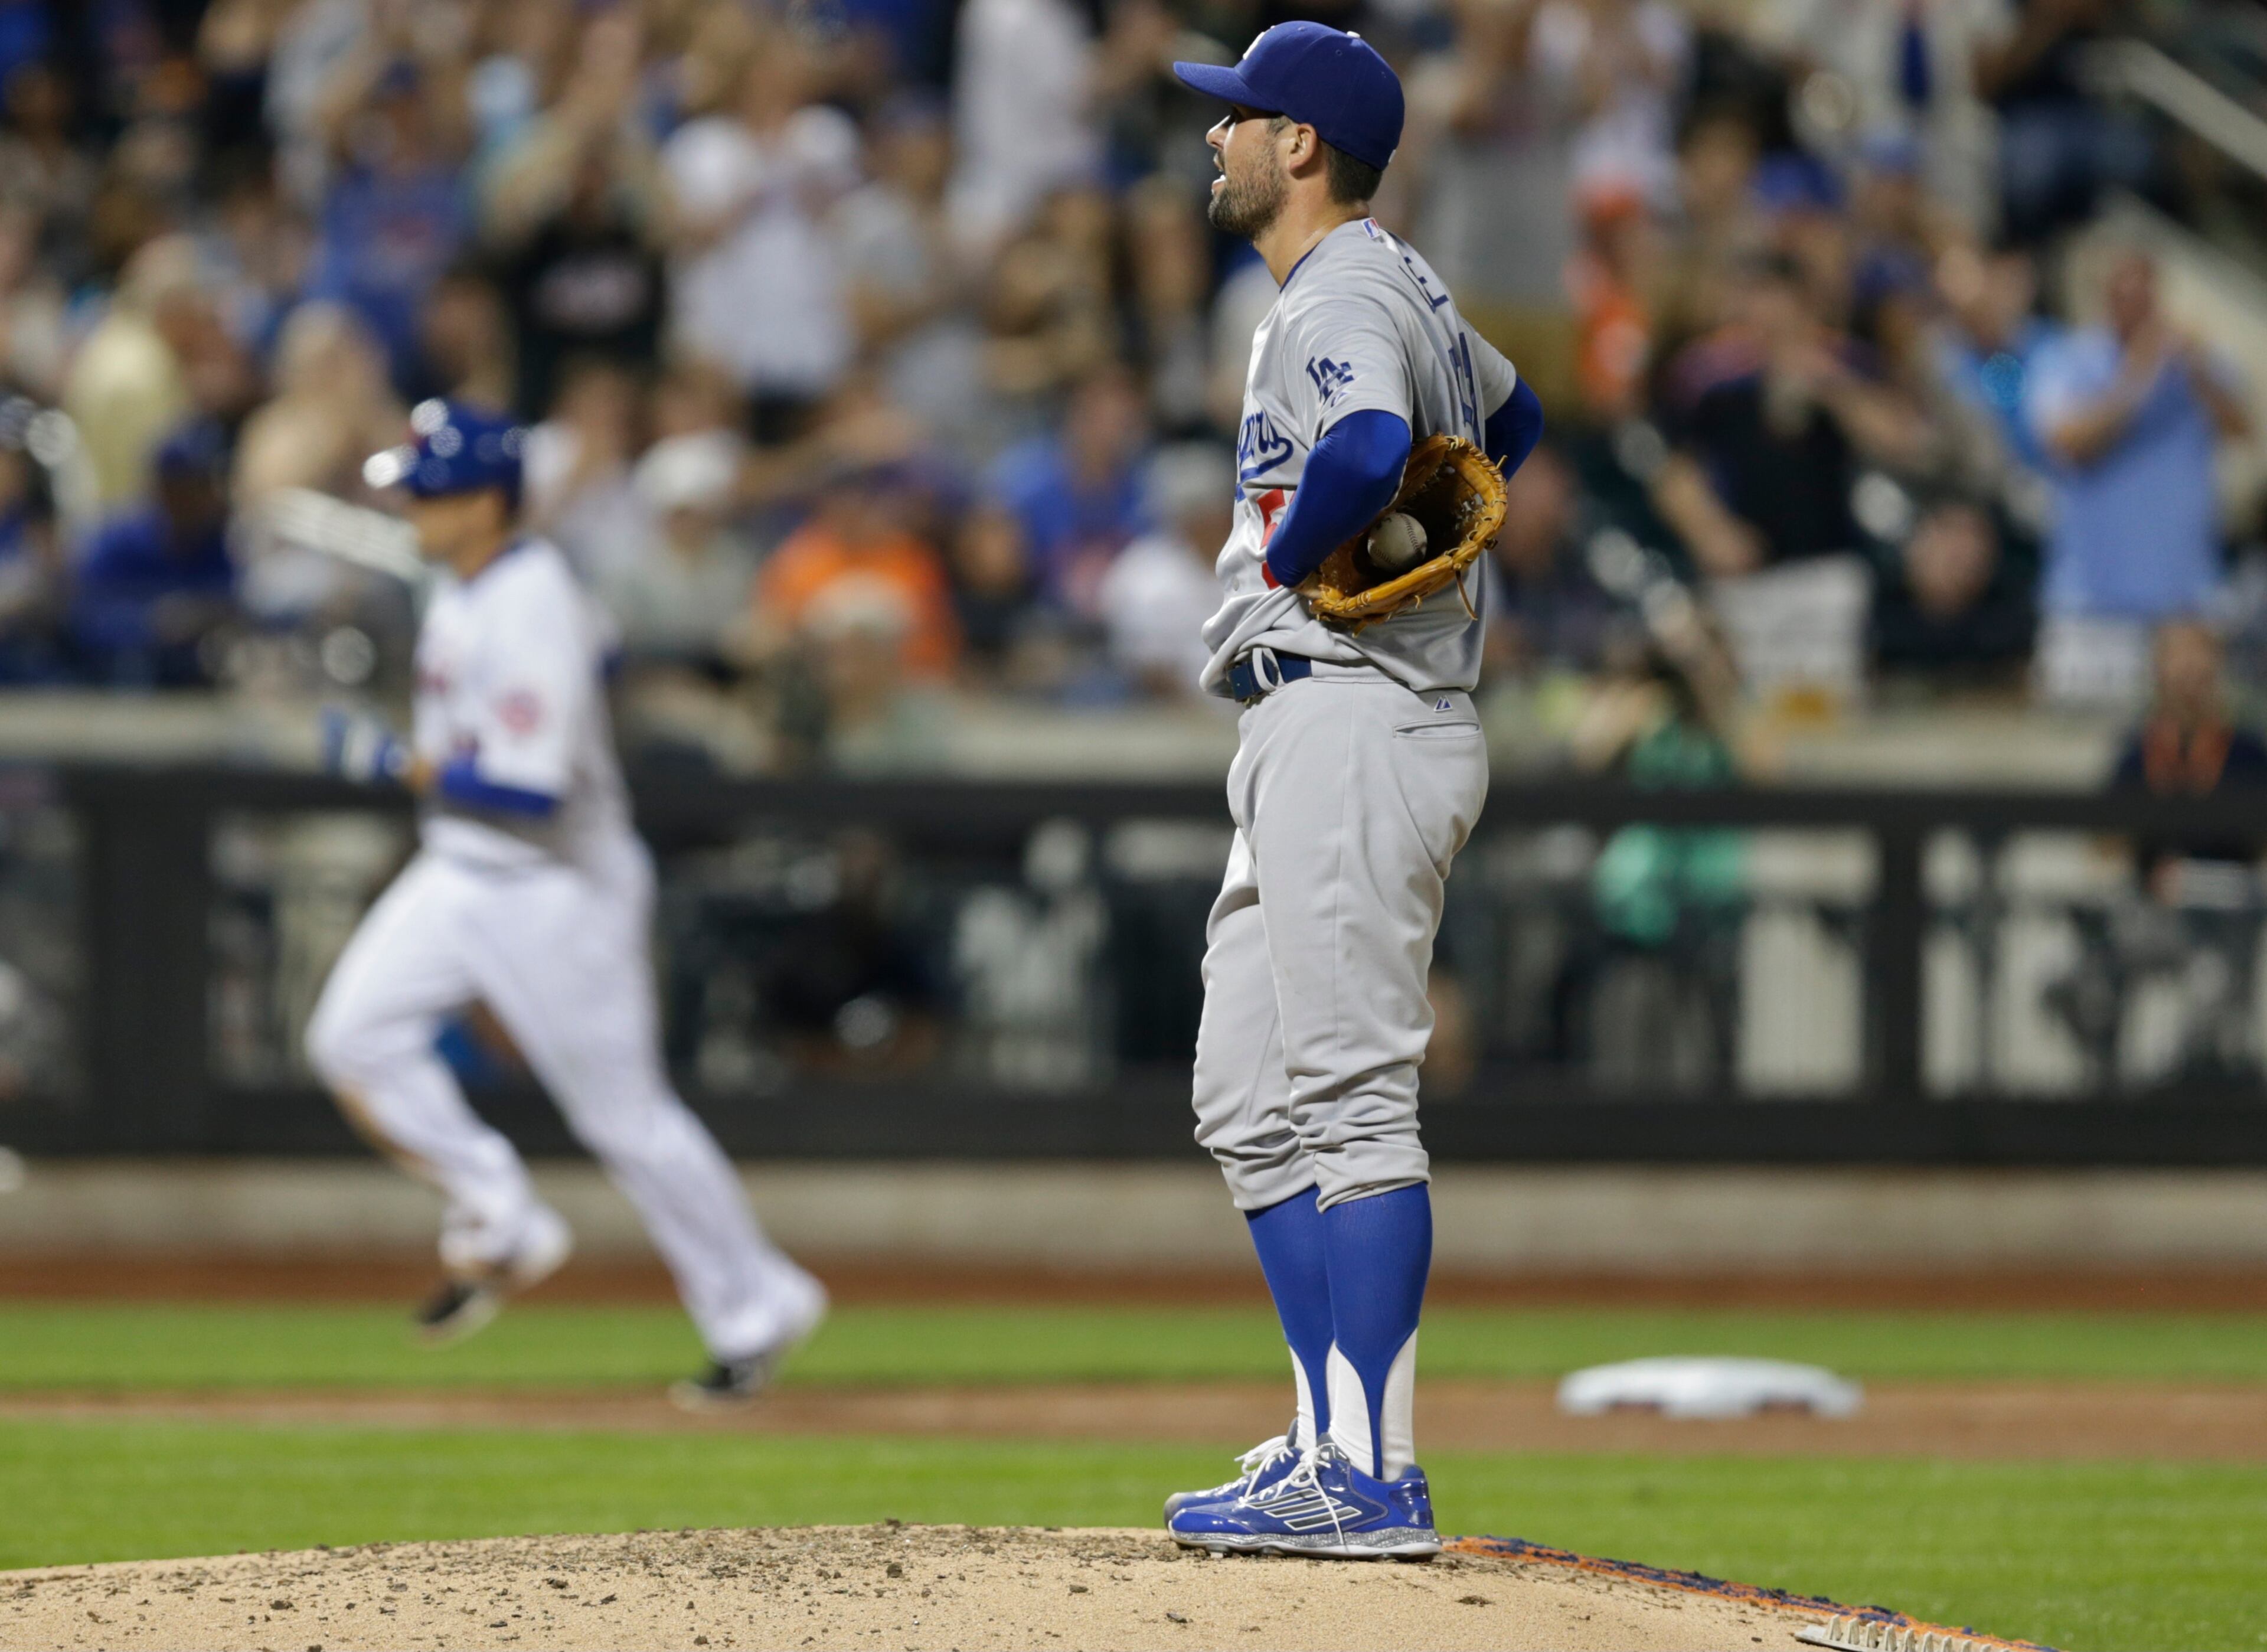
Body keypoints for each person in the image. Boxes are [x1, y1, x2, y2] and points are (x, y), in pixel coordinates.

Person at [1161, 24, 1543, 1558]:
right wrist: (1396, 545)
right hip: (1325, 721)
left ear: (1298, 145)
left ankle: (1374, 1474)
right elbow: (1505, 429)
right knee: (1247, 1096)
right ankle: (1328, 1435)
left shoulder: (1342, 290)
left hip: (1359, 713)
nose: (1216, 141)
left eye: (1237, 118)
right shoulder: (1407, 282)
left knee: (1350, 1100)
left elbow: (1385, 441)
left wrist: (1306, 562)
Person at [303, 400, 826, 1408]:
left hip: (557, 887)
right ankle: (502, 1215)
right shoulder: (468, 586)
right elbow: (603, 663)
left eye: (432, 487)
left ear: (490, 501)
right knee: (351, 1039)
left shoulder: (530, 597)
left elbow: (530, 788)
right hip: (460, 871)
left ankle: (758, 1304)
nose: (411, 500)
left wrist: (397, 762)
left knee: (628, 1119)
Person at [2026, 250, 2251, 706]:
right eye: (2123, 293)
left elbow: (2241, 430)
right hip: (2091, 601)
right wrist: (2140, 373)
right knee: (2082, 755)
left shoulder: (2197, 360)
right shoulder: (2067, 360)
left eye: (2144, 293)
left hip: (2182, 602)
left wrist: (2198, 370)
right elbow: (2070, 445)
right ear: (2103, 297)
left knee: (2184, 750)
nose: (2136, 305)